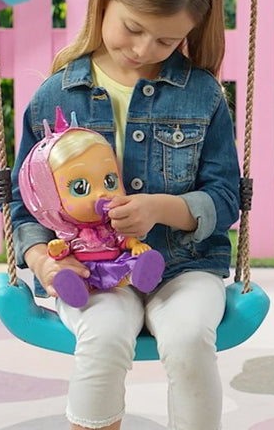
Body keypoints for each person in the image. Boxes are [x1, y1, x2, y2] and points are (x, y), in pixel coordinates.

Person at [10, 0, 241, 430]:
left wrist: (161, 209)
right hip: (91, 267)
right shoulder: (54, 97)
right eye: (132, 28)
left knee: (188, 338)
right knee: (105, 336)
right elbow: (25, 202)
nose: (142, 49)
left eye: (166, 40)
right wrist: (42, 262)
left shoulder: (202, 96)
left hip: (185, 267)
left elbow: (226, 196)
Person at [17, 107, 165, 308]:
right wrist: (54, 251)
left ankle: (140, 276)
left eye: (110, 181)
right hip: (83, 267)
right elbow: (63, 249)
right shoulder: (69, 233)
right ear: (50, 196)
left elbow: (122, 239)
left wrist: (136, 245)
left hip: (114, 264)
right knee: (79, 275)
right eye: (80, 188)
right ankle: (75, 288)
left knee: (129, 266)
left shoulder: (111, 225)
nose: (102, 193)